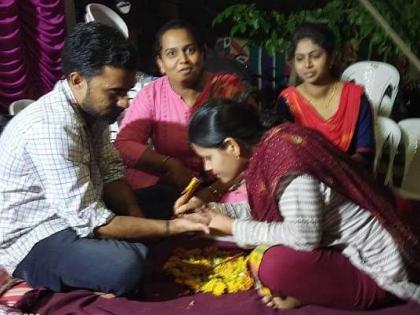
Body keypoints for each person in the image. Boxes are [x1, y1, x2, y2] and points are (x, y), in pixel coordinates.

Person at [0, 22, 210, 297]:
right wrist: (170, 228)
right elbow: (93, 221)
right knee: (127, 265)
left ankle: (127, 251)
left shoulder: (93, 110)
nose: (124, 103)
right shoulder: (52, 128)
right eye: (115, 93)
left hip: (80, 211)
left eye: (127, 92)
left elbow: (111, 173)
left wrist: (137, 218)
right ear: (77, 80)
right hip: (36, 235)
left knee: (165, 197)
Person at [175, 99, 420, 310]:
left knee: (273, 264)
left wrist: (232, 227)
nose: (207, 168)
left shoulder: (290, 169)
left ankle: (308, 291)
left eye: (208, 157)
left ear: (231, 146)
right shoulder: (272, 149)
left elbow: (304, 238)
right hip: (341, 247)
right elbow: (265, 207)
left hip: (375, 270)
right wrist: (213, 212)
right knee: (266, 255)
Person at [115, 19, 251, 218]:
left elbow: (248, 152)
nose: (183, 60)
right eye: (172, 53)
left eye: (190, 50)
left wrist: (211, 192)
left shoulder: (228, 90)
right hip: (174, 185)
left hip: (229, 184)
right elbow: (124, 144)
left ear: (203, 55)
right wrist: (169, 165)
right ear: (160, 63)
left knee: (250, 202)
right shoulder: (152, 94)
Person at [277, 22, 375, 169]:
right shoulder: (288, 101)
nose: (307, 64)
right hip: (303, 178)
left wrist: (335, 170)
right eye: (300, 58)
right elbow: (284, 152)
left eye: (315, 56)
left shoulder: (355, 98)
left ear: (332, 58)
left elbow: (365, 152)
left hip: (348, 176)